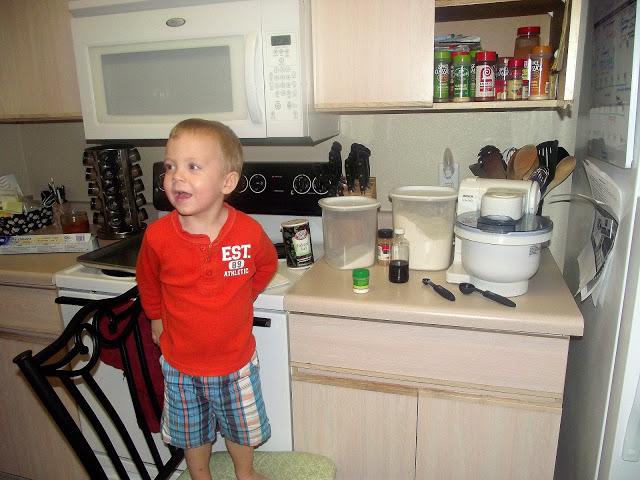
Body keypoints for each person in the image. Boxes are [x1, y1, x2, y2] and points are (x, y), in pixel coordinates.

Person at [136, 118, 277, 480]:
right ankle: (200, 476)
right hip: (181, 364)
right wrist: (155, 317)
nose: (176, 176)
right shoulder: (157, 237)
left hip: (236, 362)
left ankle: (243, 472)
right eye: (170, 166)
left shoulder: (247, 231)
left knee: (240, 429)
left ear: (226, 182)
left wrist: (247, 293)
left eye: (192, 167)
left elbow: (266, 264)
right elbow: (148, 281)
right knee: (191, 432)